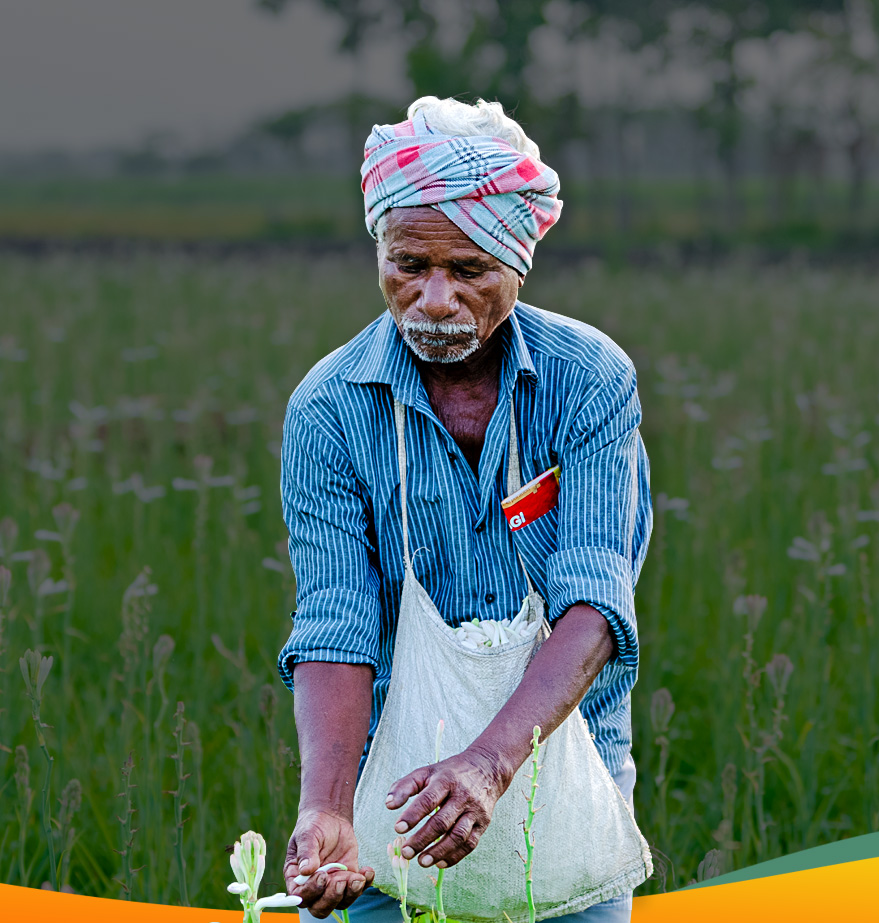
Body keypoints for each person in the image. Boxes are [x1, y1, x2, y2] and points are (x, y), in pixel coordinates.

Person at [279, 96, 651, 922]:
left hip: (570, 762)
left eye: (470, 271)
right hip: (395, 795)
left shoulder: (586, 379)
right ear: (380, 250)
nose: (435, 299)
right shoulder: (330, 408)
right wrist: (328, 808)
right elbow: (336, 621)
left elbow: (593, 601)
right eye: (409, 264)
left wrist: (487, 764)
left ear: (518, 263)